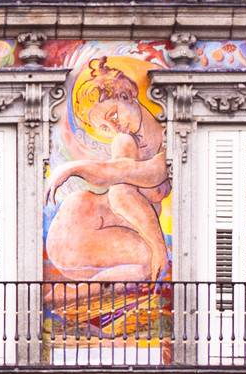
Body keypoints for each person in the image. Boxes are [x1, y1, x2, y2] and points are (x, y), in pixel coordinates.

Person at [46, 58, 167, 283]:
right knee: (148, 259)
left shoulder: (168, 140)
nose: (114, 128)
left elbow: (151, 172)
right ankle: (76, 292)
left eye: (112, 116)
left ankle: (78, 291)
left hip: (95, 230)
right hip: (78, 228)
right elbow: (121, 196)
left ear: (128, 94)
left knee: (148, 263)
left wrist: (75, 168)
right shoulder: (124, 142)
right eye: (104, 127)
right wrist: (159, 246)